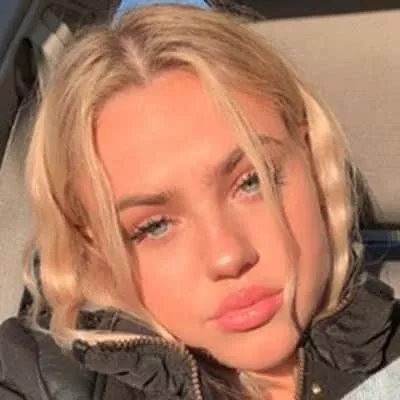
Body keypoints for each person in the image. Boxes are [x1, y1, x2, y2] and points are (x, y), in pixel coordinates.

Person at [0, 4, 399, 400]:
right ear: (96, 245)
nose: (228, 256)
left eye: (252, 182)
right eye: (154, 226)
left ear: (311, 158)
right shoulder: (44, 379)